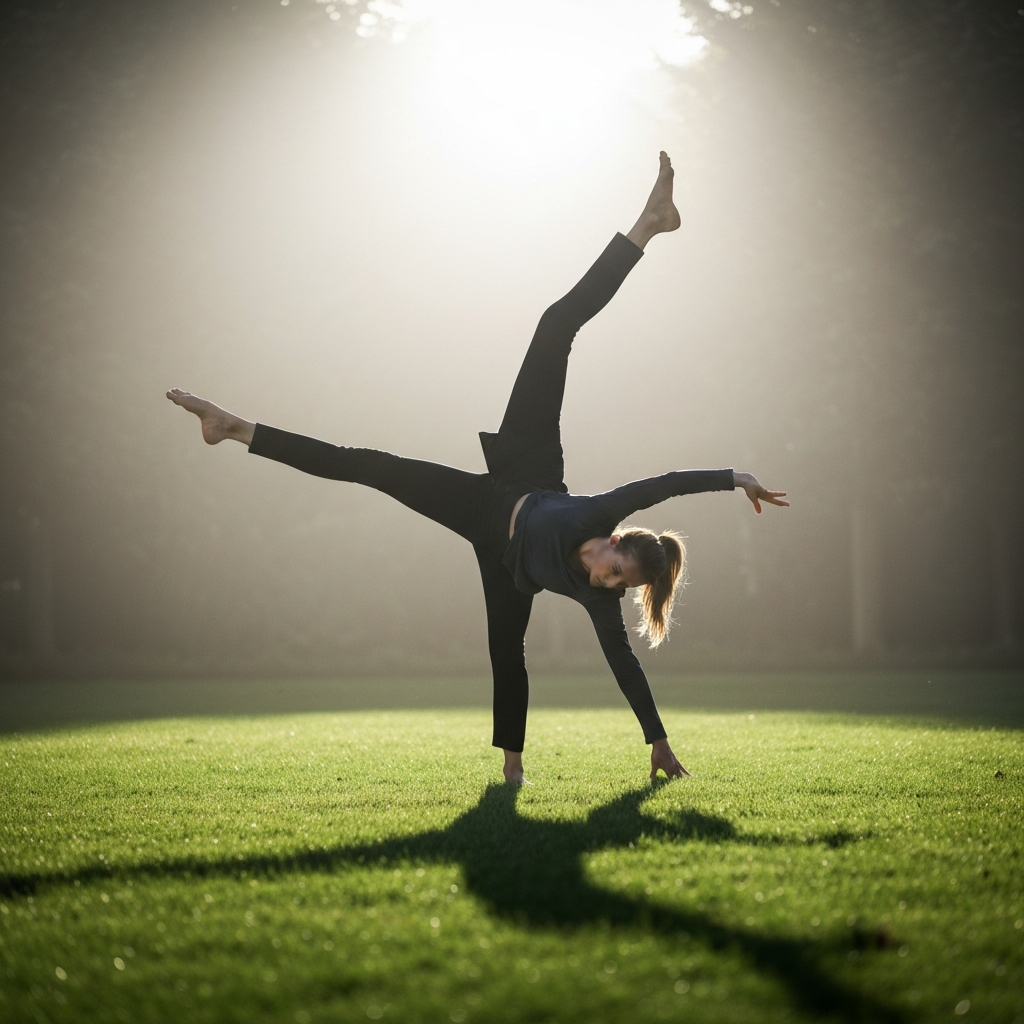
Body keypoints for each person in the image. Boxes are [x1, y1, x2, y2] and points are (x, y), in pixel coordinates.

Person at [167, 152, 788, 785]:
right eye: (616, 569)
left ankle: (512, 768)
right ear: (616, 541)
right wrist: (735, 477)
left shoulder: (593, 597)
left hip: (495, 543)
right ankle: (648, 225)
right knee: (548, 331)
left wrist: (657, 741)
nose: (606, 582)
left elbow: (625, 665)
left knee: (505, 650)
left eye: (616, 586)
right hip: (526, 467)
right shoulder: (601, 515)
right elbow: (663, 485)